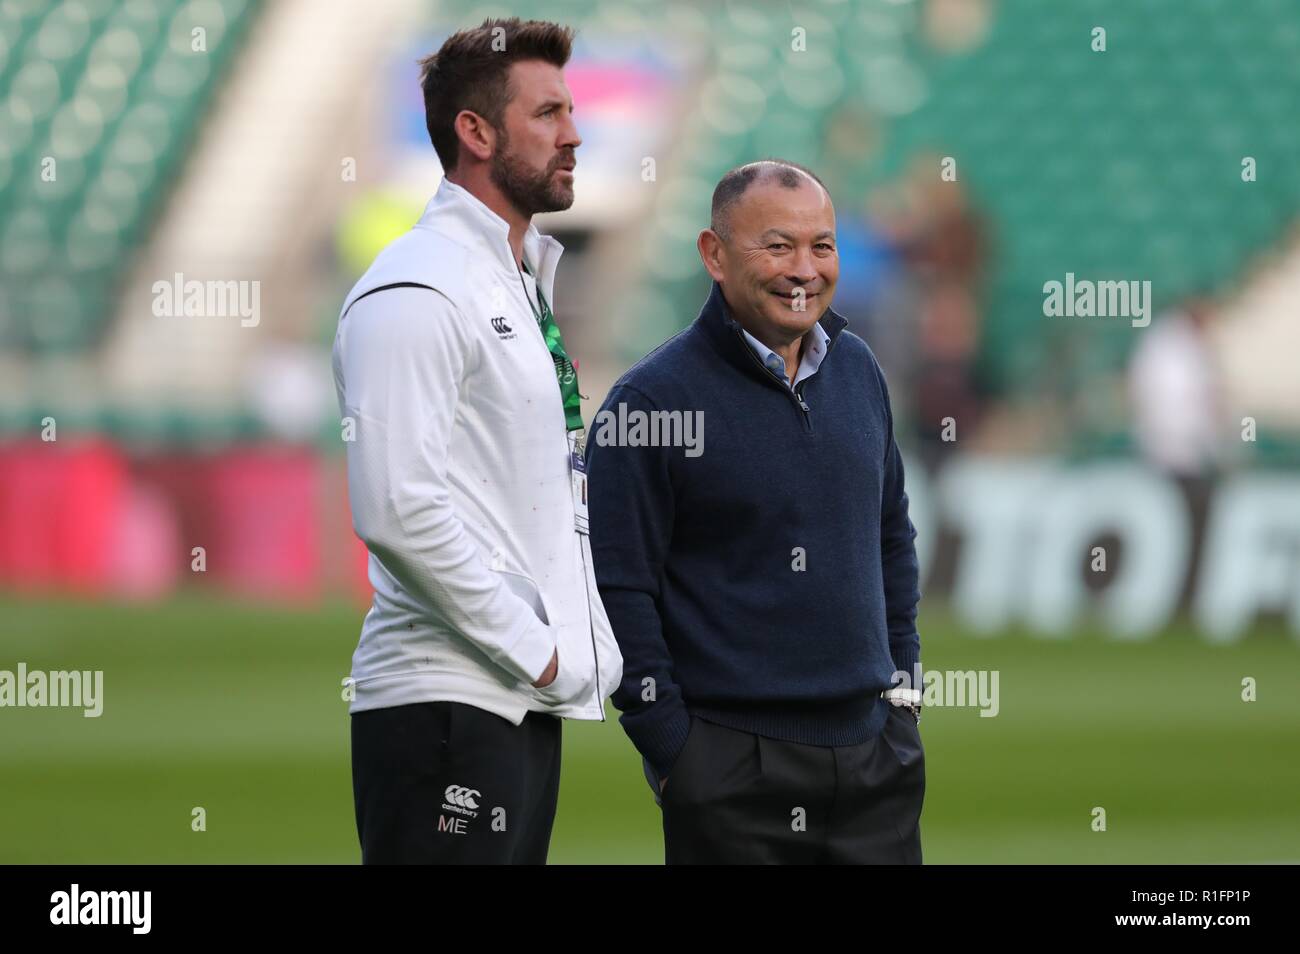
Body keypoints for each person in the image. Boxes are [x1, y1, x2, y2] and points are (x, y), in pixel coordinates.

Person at [332, 17, 622, 865]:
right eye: (548, 114)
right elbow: (395, 506)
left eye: (571, 111)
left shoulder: (509, 278)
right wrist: (537, 653)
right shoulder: (417, 286)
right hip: (446, 705)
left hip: (507, 704)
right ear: (475, 132)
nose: (574, 133)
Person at [586, 160, 925, 864]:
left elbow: (891, 535)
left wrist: (904, 696)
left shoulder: (859, 370)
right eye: (777, 246)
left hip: (874, 762)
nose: (804, 269)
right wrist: (677, 749)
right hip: (729, 771)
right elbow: (619, 587)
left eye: (821, 246)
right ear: (714, 254)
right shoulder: (649, 402)